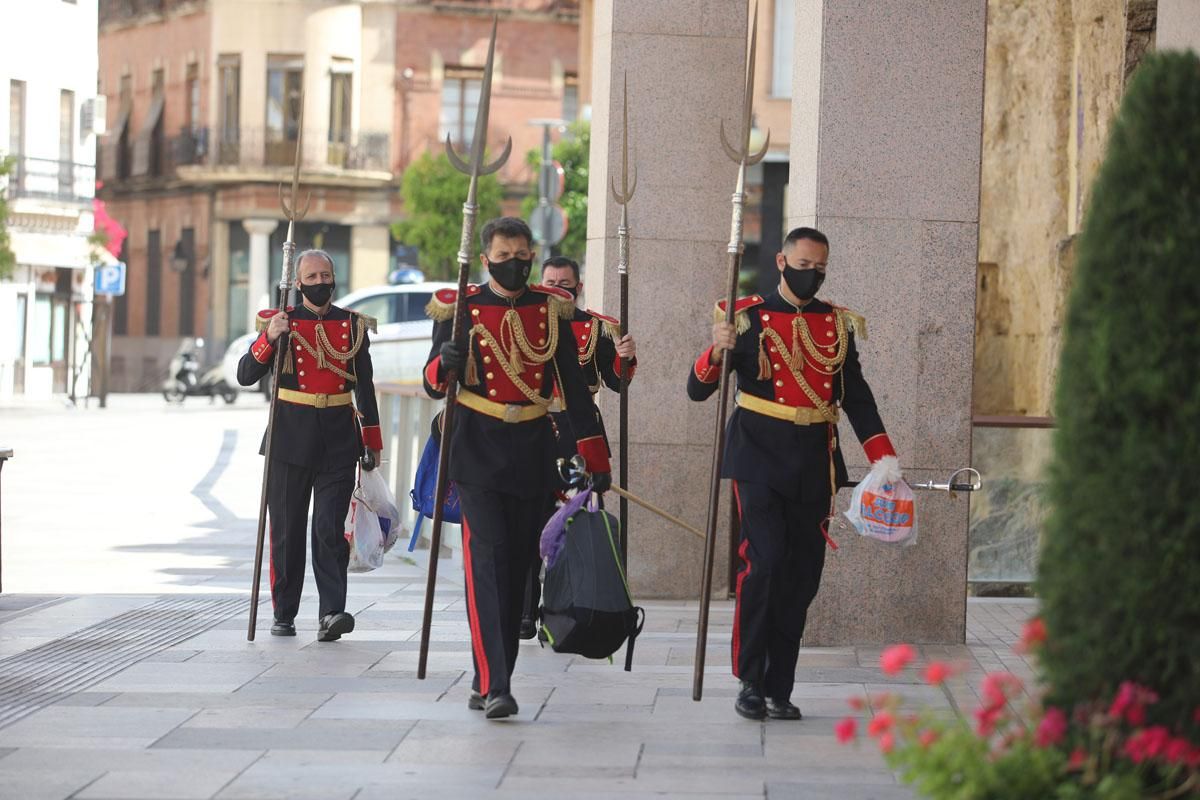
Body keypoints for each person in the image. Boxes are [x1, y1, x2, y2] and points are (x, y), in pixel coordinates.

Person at [686, 227, 899, 721]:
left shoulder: (836, 323)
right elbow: (698, 392)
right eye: (804, 265)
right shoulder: (745, 318)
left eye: (820, 268)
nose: (812, 276)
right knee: (764, 562)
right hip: (757, 455)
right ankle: (750, 681)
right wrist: (715, 352)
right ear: (781, 261)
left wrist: (883, 457)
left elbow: (856, 396)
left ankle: (780, 685)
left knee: (802, 574)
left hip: (814, 459)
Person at [423, 217, 612, 720]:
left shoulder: (551, 311)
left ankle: (490, 674)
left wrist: (596, 459)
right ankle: (496, 682)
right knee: (485, 564)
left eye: (523, 254)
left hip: (531, 450)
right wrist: (446, 360)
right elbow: (430, 381)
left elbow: (573, 388)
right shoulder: (459, 307)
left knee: (513, 571)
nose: (515, 263)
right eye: (504, 256)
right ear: (485, 260)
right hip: (476, 451)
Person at [238, 249, 382, 643]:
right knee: (286, 531)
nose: (320, 283)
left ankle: (332, 611)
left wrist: (372, 440)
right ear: (298, 282)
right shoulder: (282, 322)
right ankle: (284, 612)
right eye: (312, 277)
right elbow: (245, 376)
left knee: (329, 530)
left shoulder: (352, 325)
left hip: (338, 437)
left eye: (326, 275)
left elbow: (365, 386)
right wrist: (269, 338)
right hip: (289, 436)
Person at [519, 255, 637, 638]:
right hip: (533, 430)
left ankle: (560, 608)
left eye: (565, 283)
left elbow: (617, 383)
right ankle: (523, 610)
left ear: (578, 287)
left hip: (578, 430)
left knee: (571, 525)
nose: (557, 287)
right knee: (528, 522)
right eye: (550, 281)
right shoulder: (521, 320)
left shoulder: (598, 328)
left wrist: (625, 358)